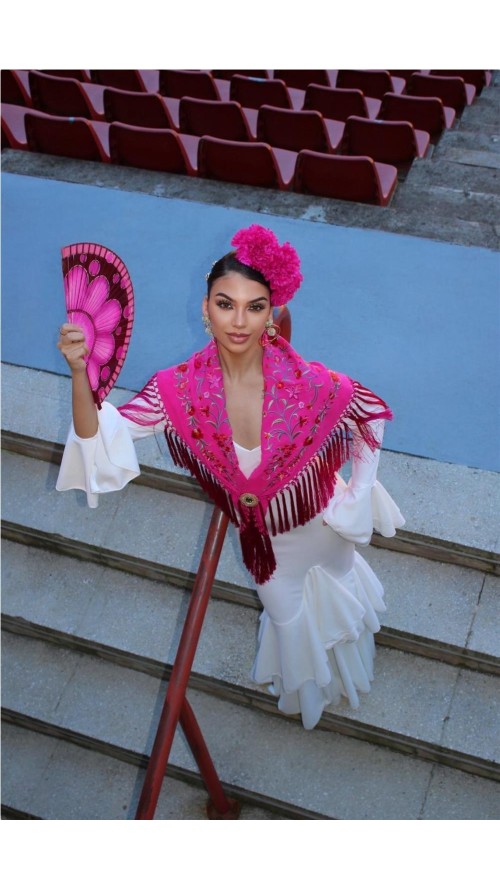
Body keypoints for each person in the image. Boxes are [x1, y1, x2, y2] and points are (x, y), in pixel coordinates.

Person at [56, 224, 404, 730]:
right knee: (289, 623)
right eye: (225, 304)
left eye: (254, 306)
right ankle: (314, 700)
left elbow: (368, 415)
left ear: (271, 315)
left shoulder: (308, 381)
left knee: (343, 611)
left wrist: (358, 493)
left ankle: (349, 675)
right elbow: (99, 439)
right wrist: (77, 372)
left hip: (327, 529)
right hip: (270, 553)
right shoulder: (176, 392)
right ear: (205, 308)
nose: (238, 321)